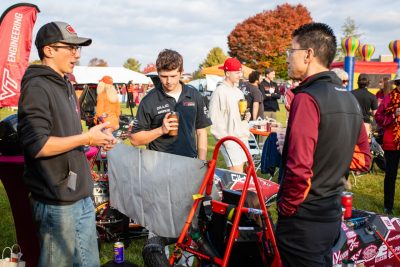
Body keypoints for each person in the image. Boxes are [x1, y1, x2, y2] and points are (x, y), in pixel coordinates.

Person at [17, 21, 117, 266]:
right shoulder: (37, 87)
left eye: (78, 48)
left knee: (88, 262)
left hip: (80, 194)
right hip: (56, 200)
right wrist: (87, 138)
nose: (77, 54)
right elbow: (37, 145)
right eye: (70, 47)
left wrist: (97, 138)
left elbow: (67, 134)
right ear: (48, 50)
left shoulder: (66, 83)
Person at [276, 22, 371, 267]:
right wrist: (326, 152)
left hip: (305, 218)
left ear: (308, 54)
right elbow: (363, 159)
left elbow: (300, 169)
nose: (287, 57)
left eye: (291, 50)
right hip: (331, 213)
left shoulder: (307, 98)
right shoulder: (349, 98)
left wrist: (286, 208)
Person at [130, 49, 211, 160]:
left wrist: (201, 163)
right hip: (158, 165)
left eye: (173, 76)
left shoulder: (194, 95)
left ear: (181, 72)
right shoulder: (149, 100)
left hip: (188, 163)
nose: (169, 81)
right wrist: (161, 130)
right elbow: (134, 140)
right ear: (158, 73)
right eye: (164, 76)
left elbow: (201, 131)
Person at [209, 57, 251, 173]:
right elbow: (214, 120)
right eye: (237, 72)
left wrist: (246, 118)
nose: (240, 75)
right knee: (236, 172)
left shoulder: (238, 91)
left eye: (240, 72)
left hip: (242, 137)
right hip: (229, 139)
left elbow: (238, 114)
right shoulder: (219, 92)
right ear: (227, 73)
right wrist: (225, 141)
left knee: (241, 173)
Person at [375, 70, 400, 215]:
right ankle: (388, 206)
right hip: (392, 143)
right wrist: (392, 115)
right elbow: (378, 116)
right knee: (390, 175)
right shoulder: (389, 98)